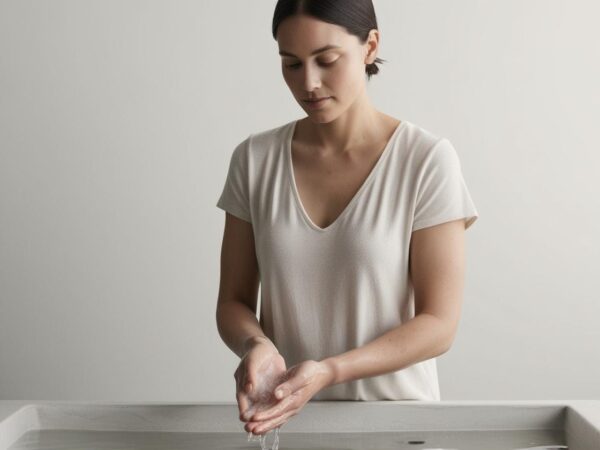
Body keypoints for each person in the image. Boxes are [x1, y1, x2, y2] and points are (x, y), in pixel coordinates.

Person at [215, 0, 479, 437]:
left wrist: (329, 371)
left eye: (326, 60)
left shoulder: (426, 160)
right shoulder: (254, 160)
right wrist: (256, 344)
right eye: (291, 64)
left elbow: (439, 325)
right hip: (289, 426)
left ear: (370, 46)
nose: (309, 83)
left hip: (398, 428)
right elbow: (233, 301)